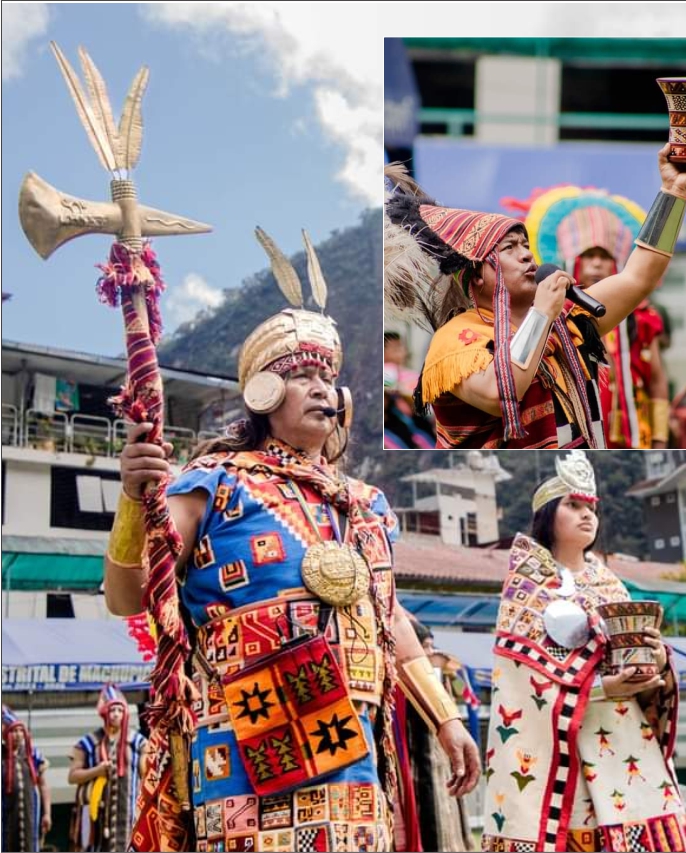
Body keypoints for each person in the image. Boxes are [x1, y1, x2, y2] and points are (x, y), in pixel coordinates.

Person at [107, 230, 479, 851]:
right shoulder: (213, 481)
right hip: (249, 746)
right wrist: (131, 499)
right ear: (264, 393)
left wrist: (445, 716)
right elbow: (127, 595)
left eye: (326, 376)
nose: (319, 388)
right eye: (300, 374)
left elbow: (389, 620)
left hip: (352, 750)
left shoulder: (366, 505)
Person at [384, 148, 686, 449]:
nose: (528, 256)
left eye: (526, 245)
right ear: (476, 275)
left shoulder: (565, 321)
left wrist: (675, 191)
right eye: (509, 248)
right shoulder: (454, 340)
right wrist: (542, 313)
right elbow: (502, 395)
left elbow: (639, 276)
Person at [481, 451, 686, 851]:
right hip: (564, 747)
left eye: (591, 508)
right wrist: (598, 688)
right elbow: (521, 679)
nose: (586, 515)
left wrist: (659, 659)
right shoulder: (526, 589)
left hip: (626, 739)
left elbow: (638, 655)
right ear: (547, 514)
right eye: (573, 504)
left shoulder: (611, 583)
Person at [512, 185, 674, 450]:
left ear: (618, 263)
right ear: (571, 262)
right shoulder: (550, 311)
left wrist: (660, 439)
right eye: (589, 256)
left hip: (632, 437)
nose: (597, 264)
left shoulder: (642, 316)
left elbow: (657, 379)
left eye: (604, 256)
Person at [403, 620, 478, 851]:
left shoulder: (437, 678)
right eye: (424, 646)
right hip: (419, 772)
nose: (430, 652)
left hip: (444, 766)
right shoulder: (406, 683)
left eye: (431, 646)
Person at [68, 685, 144, 852]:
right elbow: (72, 776)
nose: (116, 714)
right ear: (104, 713)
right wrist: (97, 771)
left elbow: (147, 774)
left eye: (119, 710)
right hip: (98, 817)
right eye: (112, 710)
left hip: (130, 816)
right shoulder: (90, 742)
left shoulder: (138, 742)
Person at [3, 704, 52, 852]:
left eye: (20, 731)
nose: (18, 735)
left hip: (30, 815)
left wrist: (47, 813)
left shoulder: (32, 755)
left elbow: (43, 784)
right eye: (13, 731)